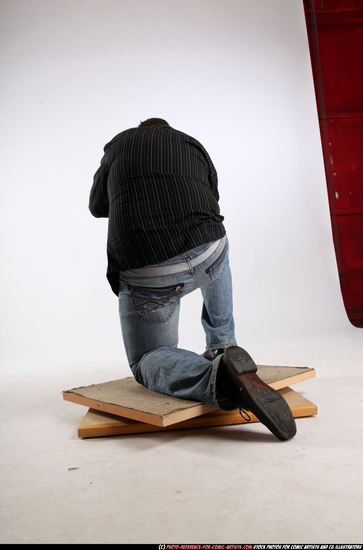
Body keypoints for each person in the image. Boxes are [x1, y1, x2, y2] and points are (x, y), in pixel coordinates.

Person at [89, 117, 296, 441]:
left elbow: (97, 206)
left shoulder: (118, 144)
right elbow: (211, 196)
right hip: (207, 253)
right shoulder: (191, 142)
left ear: (140, 130)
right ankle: (223, 343)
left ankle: (218, 376)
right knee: (215, 240)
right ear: (167, 130)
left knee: (146, 360)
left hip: (149, 274)